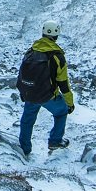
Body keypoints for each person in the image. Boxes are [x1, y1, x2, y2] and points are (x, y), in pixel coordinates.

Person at [18, 20, 74, 156]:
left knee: (27, 119)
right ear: (57, 36)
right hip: (47, 95)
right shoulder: (57, 56)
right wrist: (70, 103)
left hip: (30, 92)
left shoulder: (31, 50)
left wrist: (23, 91)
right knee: (61, 112)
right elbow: (63, 84)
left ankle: (24, 148)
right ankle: (55, 141)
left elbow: (22, 73)